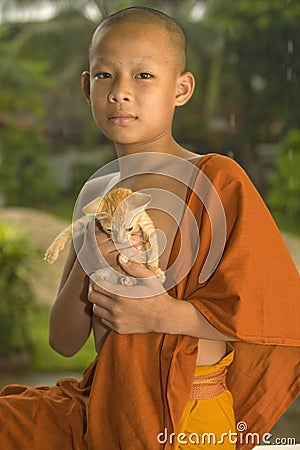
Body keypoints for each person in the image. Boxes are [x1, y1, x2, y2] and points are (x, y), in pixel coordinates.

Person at [0, 6, 299, 450]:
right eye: (105, 75)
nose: (121, 92)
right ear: (86, 87)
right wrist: (90, 259)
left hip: (187, 414)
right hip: (107, 400)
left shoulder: (215, 181)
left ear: (181, 88)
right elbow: (63, 341)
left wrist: (161, 314)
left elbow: (275, 316)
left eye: (143, 76)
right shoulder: (97, 194)